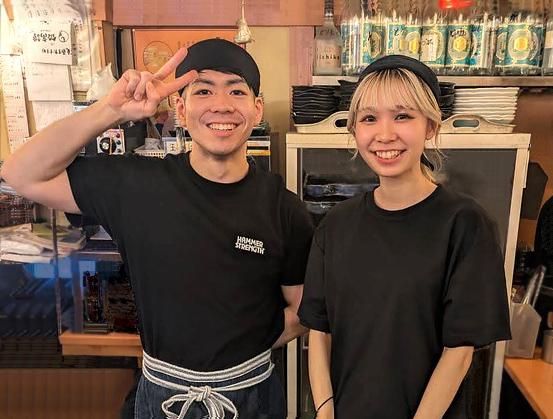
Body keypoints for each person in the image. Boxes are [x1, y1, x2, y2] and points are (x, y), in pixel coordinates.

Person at [1, 39, 313, 418]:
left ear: (256, 108)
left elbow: (303, 310)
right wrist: (110, 110)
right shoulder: (137, 185)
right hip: (162, 396)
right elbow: (20, 173)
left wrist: (241, 344)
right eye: (203, 91)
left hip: (251, 397)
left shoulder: (284, 209)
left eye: (236, 91)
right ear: (180, 109)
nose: (221, 105)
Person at [297, 55, 511, 419]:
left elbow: (459, 352)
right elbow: (319, 330)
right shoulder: (336, 226)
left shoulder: (464, 224)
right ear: (354, 130)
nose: (384, 134)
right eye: (369, 118)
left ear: (430, 126)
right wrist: (325, 410)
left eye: (402, 116)